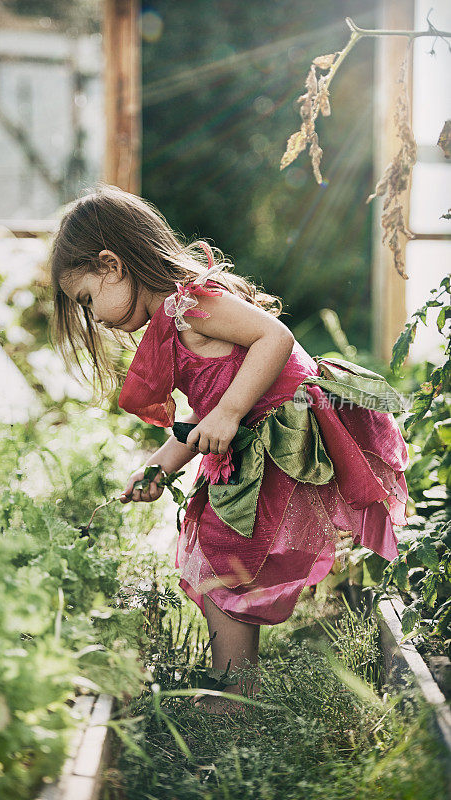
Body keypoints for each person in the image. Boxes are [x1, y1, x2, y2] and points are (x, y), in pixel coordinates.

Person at [50, 182, 410, 715]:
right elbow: (205, 406)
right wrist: (160, 466)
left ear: (113, 264)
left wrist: (230, 413)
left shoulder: (191, 306)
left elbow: (276, 338)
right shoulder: (174, 318)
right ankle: (232, 682)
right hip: (258, 436)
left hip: (283, 434)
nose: (96, 318)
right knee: (220, 554)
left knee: (220, 554)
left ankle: (234, 694)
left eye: (87, 299)